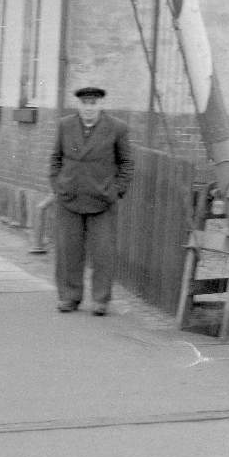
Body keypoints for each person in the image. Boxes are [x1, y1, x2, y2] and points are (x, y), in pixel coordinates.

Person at [49, 86, 133, 315]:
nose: (88, 108)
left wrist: (116, 191)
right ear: (79, 105)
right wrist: (58, 187)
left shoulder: (117, 128)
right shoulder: (65, 126)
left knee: (103, 253)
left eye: (93, 103)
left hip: (102, 201)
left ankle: (100, 300)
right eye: (85, 103)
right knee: (69, 251)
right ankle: (69, 297)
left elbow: (126, 163)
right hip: (70, 198)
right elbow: (56, 159)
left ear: (101, 105)